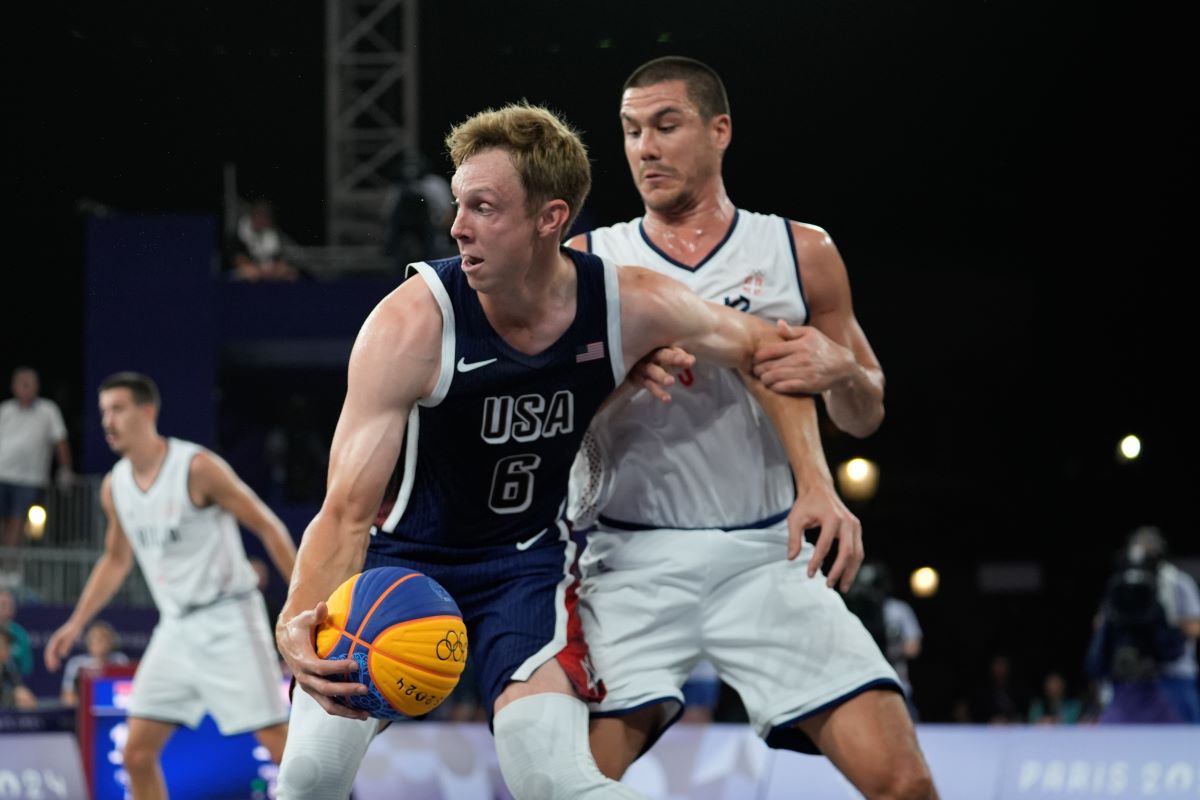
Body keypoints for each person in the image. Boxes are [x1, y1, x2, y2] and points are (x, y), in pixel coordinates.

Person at [273, 102, 830, 800]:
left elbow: (769, 347)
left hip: (527, 568)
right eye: (457, 204)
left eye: (483, 207)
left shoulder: (630, 303)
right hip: (402, 563)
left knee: (553, 781)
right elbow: (345, 513)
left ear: (550, 218)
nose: (457, 227)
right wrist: (296, 620)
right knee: (306, 780)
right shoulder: (412, 321)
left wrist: (847, 390)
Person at [564, 56, 936, 798]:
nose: (645, 148)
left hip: (768, 554)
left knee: (904, 784)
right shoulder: (590, 262)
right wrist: (615, 378)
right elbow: (551, 423)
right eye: (632, 131)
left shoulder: (803, 253)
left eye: (666, 126)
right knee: (565, 787)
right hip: (630, 560)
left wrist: (844, 373)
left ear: (720, 130)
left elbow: (865, 415)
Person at [44, 372, 297, 799]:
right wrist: (75, 622)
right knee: (136, 754)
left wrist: (301, 601)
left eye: (118, 409)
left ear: (148, 412)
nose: (108, 421)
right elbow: (116, 559)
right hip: (175, 628)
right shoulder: (115, 487)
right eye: (103, 411)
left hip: (230, 618)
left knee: (279, 746)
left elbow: (267, 526)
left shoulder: (196, 467)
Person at [0, 367, 74, 571]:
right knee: (3, 524)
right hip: (2, 475)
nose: (24, 388)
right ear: (13, 387)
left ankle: (7, 571)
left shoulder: (48, 410)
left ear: (36, 387)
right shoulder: (5, 410)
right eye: (20, 383)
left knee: (17, 522)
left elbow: (60, 441)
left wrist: (65, 469)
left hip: (29, 479)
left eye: (28, 384)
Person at [59, 619, 130, 707]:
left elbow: (126, 691)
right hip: (84, 710)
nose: (98, 641)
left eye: (103, 638)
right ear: (88, 643)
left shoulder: (120, 661)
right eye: (95, 638)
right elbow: (68, 695)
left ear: (111, 642)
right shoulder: (76, 663)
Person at [227, 198, 300, 282]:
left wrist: (276, 268)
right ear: (253, 216)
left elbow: (277, 259)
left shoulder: (271, 236)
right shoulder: (239, 233)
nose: (262, 220)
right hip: (240, 272)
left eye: (265, 217)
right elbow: (238, 259)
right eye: (260, 215)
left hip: (264, 270)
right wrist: (258, 269)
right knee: (250, 273)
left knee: (290, 273)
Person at [0, 627, 37, 710]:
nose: (5, 649)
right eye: (2, 645)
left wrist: (21, 694)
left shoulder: (8, 664)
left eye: (7, 645)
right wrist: (13, 697)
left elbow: (19, 686)